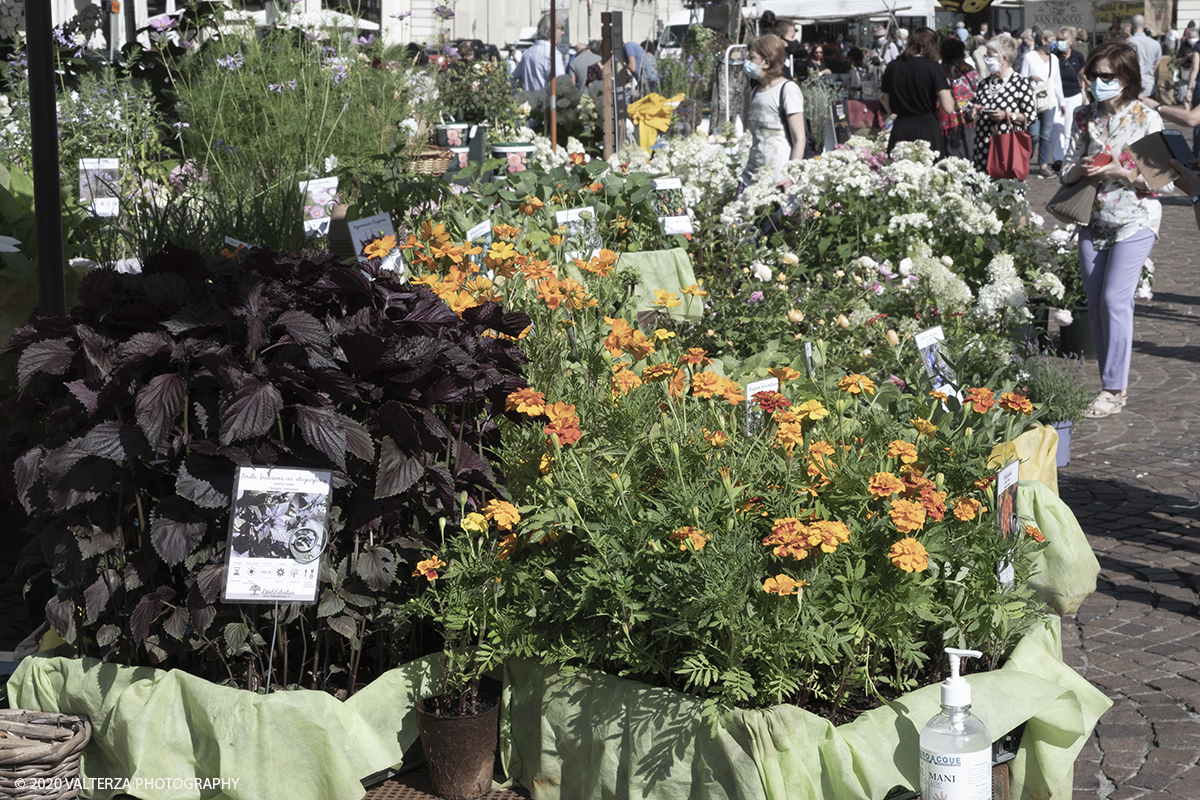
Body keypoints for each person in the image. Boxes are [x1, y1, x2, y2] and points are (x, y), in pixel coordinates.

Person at [1059, 42, 1168, 418]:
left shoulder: (1146, 118)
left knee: (1114, 301)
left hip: (1137, 217)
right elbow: (1066, 168)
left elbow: (1164, 181)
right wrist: (1081, 169)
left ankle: (1113, 389)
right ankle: (1110, 384)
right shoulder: (1082, 115)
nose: (1100, 82)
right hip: (1093, 216)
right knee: (1096, 306)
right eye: (1096, 75)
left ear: (1127, 78)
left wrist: (1123, 172)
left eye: (1109, 76)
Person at [739, 34, 806, 191]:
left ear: (766, 63)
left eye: (751, 57)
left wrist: (791, 177)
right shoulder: (756, 90)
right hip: (751, 176)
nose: (746, 62)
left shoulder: (787, 89)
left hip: (777, 180)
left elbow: (799, 139)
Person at [880, 27, 955, 154]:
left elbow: (889, 109)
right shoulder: (934, 67)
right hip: (927, 129)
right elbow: (948, 107)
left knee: (900, 172)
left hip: (901, 128)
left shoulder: (892, 67)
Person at [970, 34, 1034, 176]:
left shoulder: (1020, 83)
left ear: (1004, 58)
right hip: (983, 147)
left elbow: (1031, 116)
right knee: (982, 191)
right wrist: (972, 111)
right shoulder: (984, 83)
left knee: (1006, 191)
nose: (986, 59)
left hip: (1007, 147)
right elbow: (969, 110)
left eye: (990, 55)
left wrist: (1007, 115)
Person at [1021, 29, 1065, 177]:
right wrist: (1029, 78)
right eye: (1052, 40)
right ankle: (1025, 160)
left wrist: (1062, 102)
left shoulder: (1054, 59)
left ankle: (1043, 166)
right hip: (1032, 101)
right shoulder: (1029, 57)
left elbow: (1057, 82)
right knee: (1033, 135)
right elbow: (1021, 80)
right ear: (1044, 41)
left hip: (1049, 101)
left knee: (1046, 135)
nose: (1055, 44)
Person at [939, 36, 979, 160]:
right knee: (967, 153)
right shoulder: (968, 69)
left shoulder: (940, 69)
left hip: (945, 116)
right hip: (967, 117)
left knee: (947, 155)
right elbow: (978, 88)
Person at [1052, 25, 1087, 168]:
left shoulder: (1078, 56)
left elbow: (1082, 74)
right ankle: (1058, 159)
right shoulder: (1054, 56)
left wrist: (1084, 91)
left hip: (1073, 95)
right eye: (1058, 39)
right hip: (1057, 97)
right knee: (1057, 127)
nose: (1060, 42)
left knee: (1068, 129)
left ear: (1071, 41)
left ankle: (1066, 159)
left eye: (1063, 39)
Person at [513, 14, 566, 91]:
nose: (563, 32)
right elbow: (562, 85)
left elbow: (513, 79)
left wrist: (521, 96)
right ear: (551, 31)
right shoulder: (553, 54)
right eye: (561, 28)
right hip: (548, 102)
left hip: (530, 101)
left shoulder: (527, 53)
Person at [1126, 14, 1162, 97]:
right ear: (1145, 25)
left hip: (1132, 87)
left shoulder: (1128, 44)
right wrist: (1155, 85)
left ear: (1131, 26)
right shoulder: (1156, 44)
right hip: (1149, 87)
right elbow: (1156, 68)